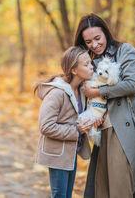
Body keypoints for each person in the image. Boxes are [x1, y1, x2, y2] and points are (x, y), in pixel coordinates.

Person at [74, 13, 135, 198]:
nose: (94, 45)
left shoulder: (125, 51)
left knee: (124, 184)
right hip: (101, 131)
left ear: (106, 33)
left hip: (123, 128)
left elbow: (131, 85)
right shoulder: (88, 59)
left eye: (97, 38)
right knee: (103, 186)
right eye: (88, 41)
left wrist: (99, 92)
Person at [35, 46, 96, 198]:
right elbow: (45, 126)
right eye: (86, 64)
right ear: (74, 70)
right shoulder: (57, 93)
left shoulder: (81, 90)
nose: (91, 66)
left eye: (90, 63)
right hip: (57, 154)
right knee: (60, 195)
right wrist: (76, 131)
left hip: (71, 152)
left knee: (66, 195)